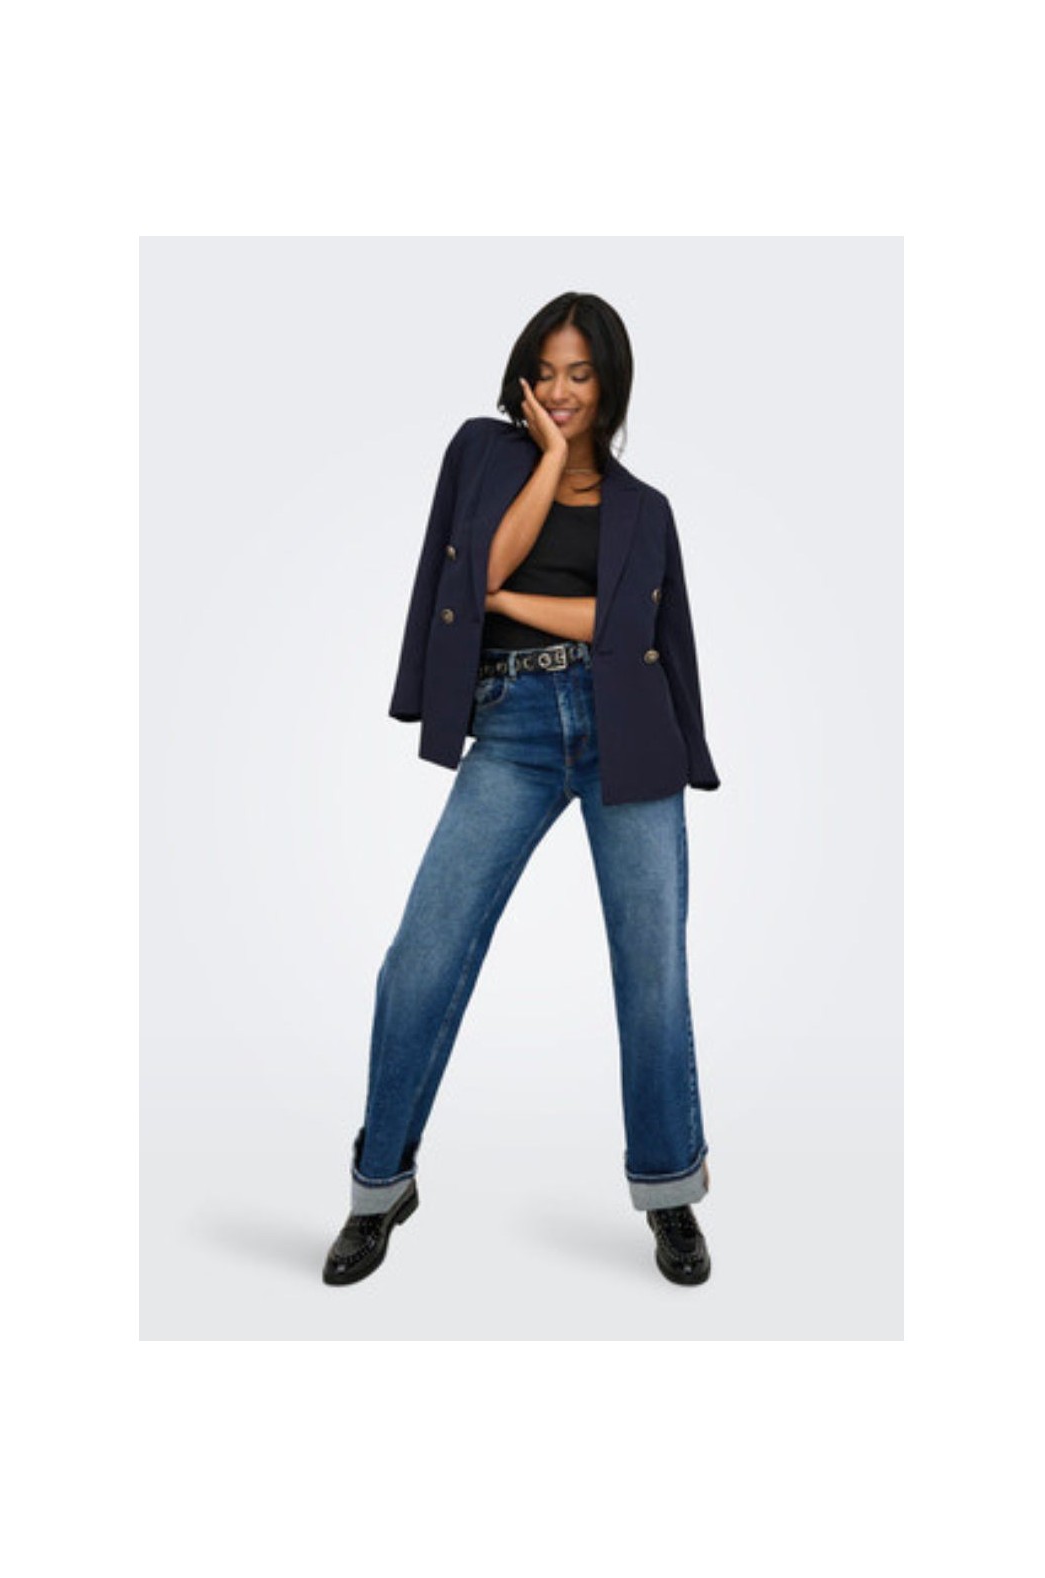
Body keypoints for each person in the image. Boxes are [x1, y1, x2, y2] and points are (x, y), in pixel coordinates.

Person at [323, 292, 722, 1288]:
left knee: (652, 971)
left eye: (579, 373)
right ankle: (380, 1187)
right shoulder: (484, 452)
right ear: (522, 377)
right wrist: (547, 462)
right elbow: (479, 572)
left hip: (629, 729)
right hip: (513, 724)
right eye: (545, 371)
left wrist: (504, 598)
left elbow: (622, 627)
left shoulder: (646, 510)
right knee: (421, 958)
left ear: (609, 382)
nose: (560, 389)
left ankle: (668, 1188)